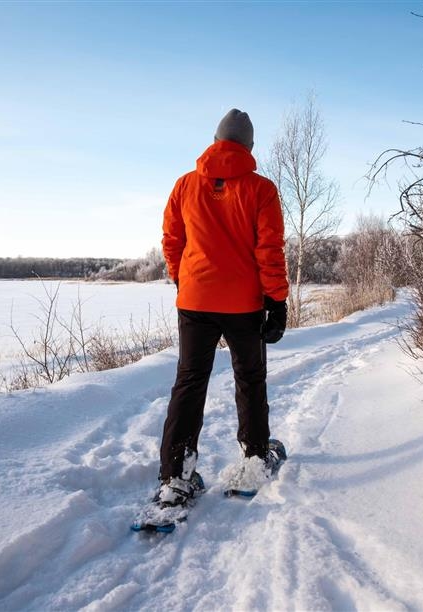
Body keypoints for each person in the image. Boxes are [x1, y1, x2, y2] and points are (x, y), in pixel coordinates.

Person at [156, 108, 289, 506]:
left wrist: (184, 280)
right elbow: (269, 250)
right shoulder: (261, 189)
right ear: (248, 147)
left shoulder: (184, 185)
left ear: (215, 141)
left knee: (189, 381)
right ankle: (253, 457)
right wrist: (278, 301)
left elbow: (171, 241)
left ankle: (175, 475)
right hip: (243, 304)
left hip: (194, 301)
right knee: (249, 378)